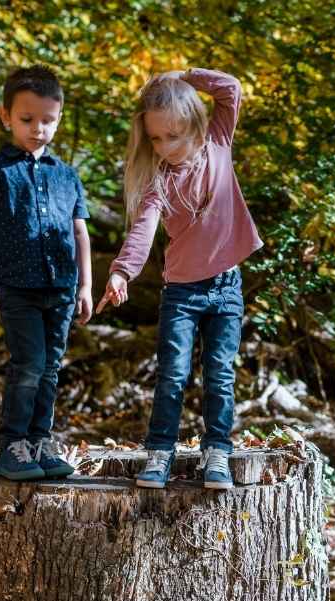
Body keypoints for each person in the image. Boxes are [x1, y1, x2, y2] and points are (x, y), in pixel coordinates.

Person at [99, 68, 261, 490]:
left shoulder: (220, 145)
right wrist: (122, 270)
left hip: (226, 289)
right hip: (182, 294)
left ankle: (217, 452)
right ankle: (160, 452)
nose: (165, 147)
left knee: (220, 373)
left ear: (194, 125)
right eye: (156, 139)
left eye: (173, 136)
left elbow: (230, 90)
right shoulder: (159, 183)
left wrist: (184, 75)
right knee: (172, 373)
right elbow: (142, 231)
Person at [0, 65, 93, 481]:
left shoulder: (66, 174)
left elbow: (80, 231)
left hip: (62, 287)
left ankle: (40, 441)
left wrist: (87, 285)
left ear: (59, 118)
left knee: (51, 366)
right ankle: (13, 444)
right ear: (6, 117)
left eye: (48, 121)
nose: (38, 129)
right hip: (16, 286)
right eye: (27, 120)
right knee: (29, 363)